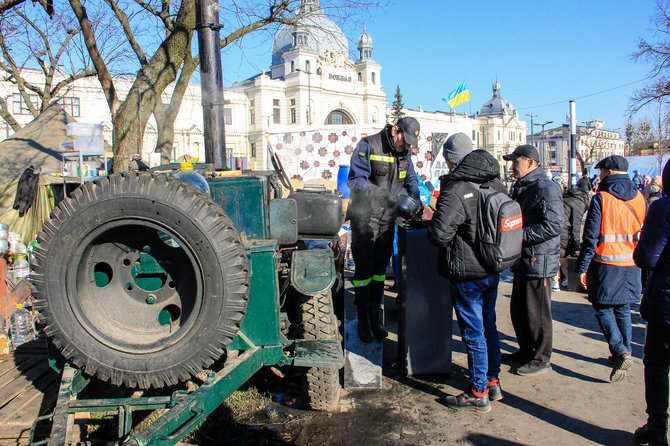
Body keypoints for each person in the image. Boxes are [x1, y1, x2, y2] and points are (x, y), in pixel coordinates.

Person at [427, 139, 505, 414]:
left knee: (473, 334)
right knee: (489, 325)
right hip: (492, 267)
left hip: (466, 272)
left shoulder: (457, 189)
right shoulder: (495, 183)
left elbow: (439, 235)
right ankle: (493, 381)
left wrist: (434, 218)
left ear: (452, 159)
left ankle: (477, 392)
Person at [346, 117, 421, 343]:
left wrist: (414, 199)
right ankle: (362, 320)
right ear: (395, 130)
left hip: (387, 221)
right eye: (404, 140)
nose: (406, 146)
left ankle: (374, 317)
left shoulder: (404, 153)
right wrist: (378, 193)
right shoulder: (368, 145)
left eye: (410, 144)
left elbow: (411, 178)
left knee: (380, 271)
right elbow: (355, 180)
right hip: (364, 220)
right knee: (364, 273)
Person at [576, 155, 646, 383]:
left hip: (606, 264)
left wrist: (582, 267)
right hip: (632, 263)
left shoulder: (602, 198)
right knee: (623, 308)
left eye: (602, 171)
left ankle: (620, 351)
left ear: (609, 172)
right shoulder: (640, 197)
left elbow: (591, 237)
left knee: (603, 308)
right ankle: (624, 352)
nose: (599, 175)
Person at [502, 144, 563, 376]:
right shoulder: (524, 186)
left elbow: (553, 225)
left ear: (530, 162)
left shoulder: (546, 188)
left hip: (539, 260)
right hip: (524, 259)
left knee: (537, 313)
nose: (511, 166)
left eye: (515, 161)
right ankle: (526, 350)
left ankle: (541, 358)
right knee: (520, 311)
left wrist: (518, 237)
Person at [633, 159, 670, 446]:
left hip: (666, 304)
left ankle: (658, 428)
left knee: (657, 364)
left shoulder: (664, 207)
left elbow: (647, 258)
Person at [558, 184, 590, 287]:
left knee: (559, 254)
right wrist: (577, 246)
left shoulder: (567, 198)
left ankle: (559, 278)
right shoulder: (579, 203)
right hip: (564, 230)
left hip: (559, 228)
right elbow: (576, 227)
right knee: (562, 255)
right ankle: (563, 279)